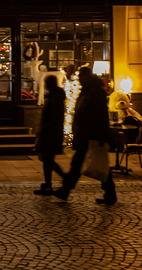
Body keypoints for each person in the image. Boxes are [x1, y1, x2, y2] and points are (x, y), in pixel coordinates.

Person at [54, 66, 116, 204]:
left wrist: (100, 135)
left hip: (92, 135)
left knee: (81, 164)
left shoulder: (94, 92)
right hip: (87, 135)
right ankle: (110, 193)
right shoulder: (88, 90)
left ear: (87, 77)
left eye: (81, 78)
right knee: (94, 165)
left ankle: (66, 190)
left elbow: (100, 115)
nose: (80, 80)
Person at [33, 75, 66, 195]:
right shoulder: (54, 97)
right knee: (47, 160)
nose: (45, 85)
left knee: (48, 160)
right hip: (50, 133)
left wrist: (43, 130)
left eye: (46, 83)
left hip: (50, 134)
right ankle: (48, 184)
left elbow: (53, 118)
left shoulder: (55, 99)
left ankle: (64, 179)